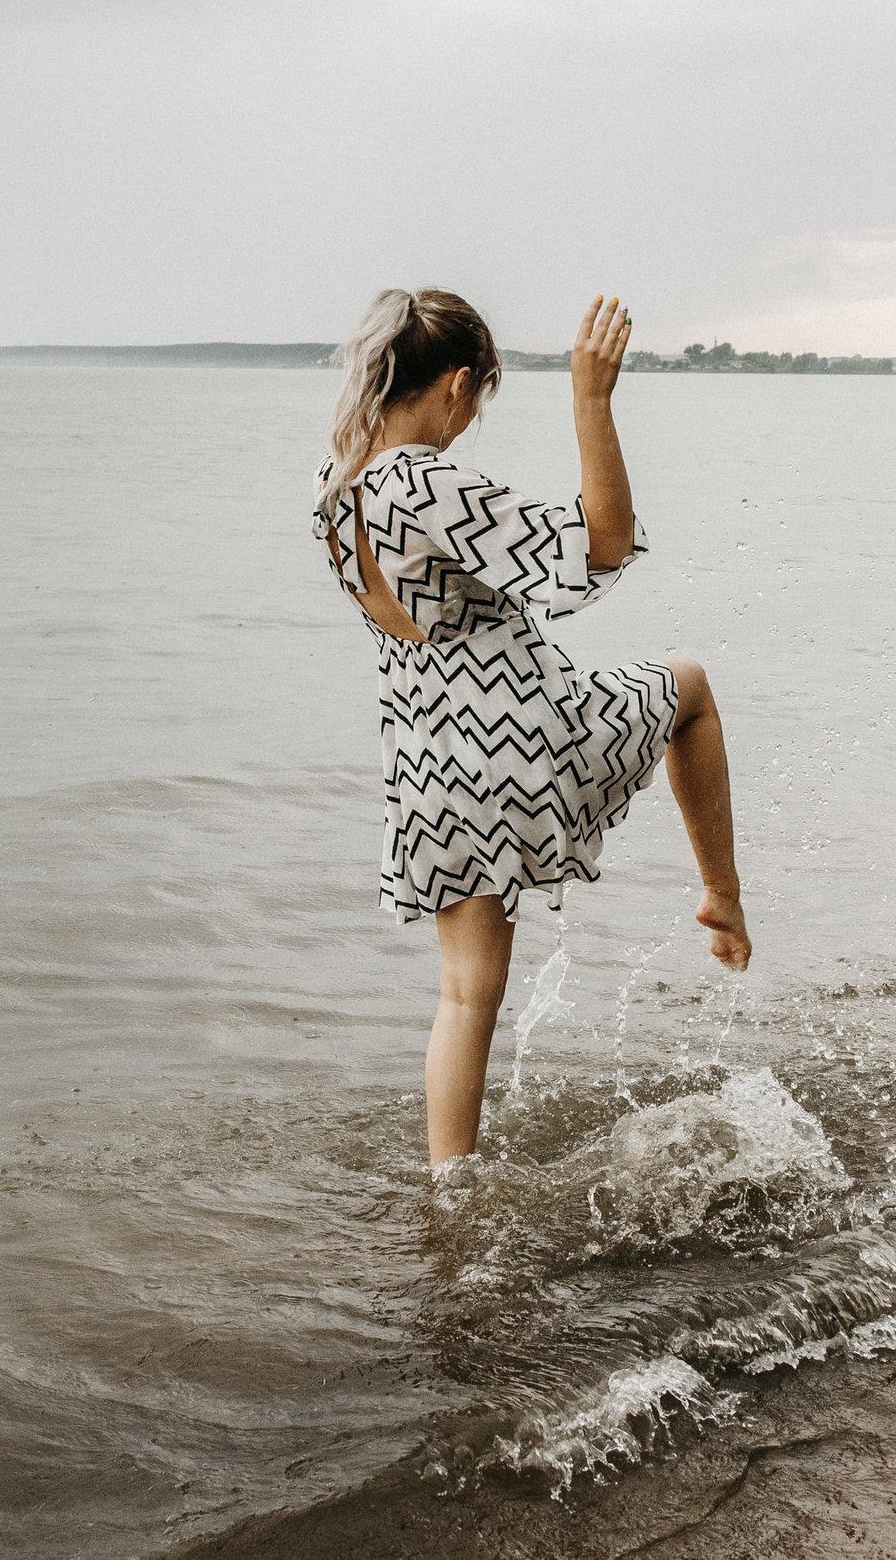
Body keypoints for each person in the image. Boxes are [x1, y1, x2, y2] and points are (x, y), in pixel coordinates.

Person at [313, 290, 751, 1164]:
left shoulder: (338, 486)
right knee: (691, 688)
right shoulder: (423, 480)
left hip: (425, 757)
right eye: (478, 399)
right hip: (516, 742)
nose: (470, 419)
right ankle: (723, 895)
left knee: (466, 994)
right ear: (458, 384)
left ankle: (450, 1191)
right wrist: (591, 399)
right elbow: (602, 543)